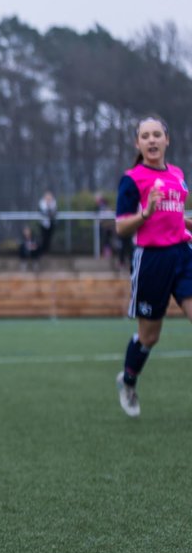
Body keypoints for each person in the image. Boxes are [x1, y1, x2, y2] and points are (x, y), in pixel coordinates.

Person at [114, 116, 192, 418]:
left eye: (157, 134)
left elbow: (174, 214)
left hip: (183, 255)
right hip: (152, 262)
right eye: (145, 136)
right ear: (138, 143)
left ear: (167, 140)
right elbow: (121, 227)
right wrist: (145, 212)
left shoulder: (177, 174)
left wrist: (185, 223)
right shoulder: (132, 179)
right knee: (149, 337)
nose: (151, 140)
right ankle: (129, 382)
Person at [38, 189, 57, 255]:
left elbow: (54, 213)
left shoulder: (53, 203)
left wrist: (49, 211)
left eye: (50, 197)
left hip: (51, 223)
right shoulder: (42, 203)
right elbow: (43, 212)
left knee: (49, 237)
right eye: (47, 197)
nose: (48, 198)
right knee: (44, 237)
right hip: (43, 223)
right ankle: (43, 251)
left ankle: (48, 251)